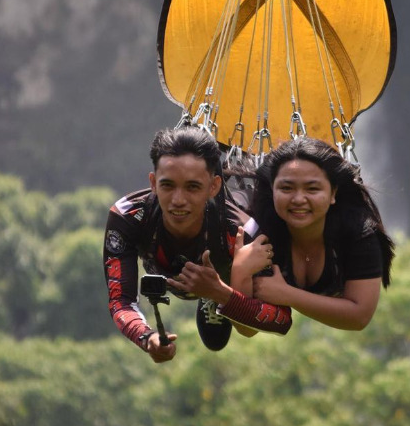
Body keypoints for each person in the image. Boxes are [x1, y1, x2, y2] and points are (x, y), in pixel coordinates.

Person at [104, 127, 291, 364]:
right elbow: (120, 300)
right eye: (168, 186)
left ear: (213, 186)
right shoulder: (129, 215)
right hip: (189, 276)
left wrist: (219, 291)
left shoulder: (245, 232)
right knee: (215, 337)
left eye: (192, 187)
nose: (178, 200)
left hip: (230, 272)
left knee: (227, 334)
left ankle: (216, 297)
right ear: (153, 183)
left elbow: (283, 320)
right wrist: (146, 336)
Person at [231, 137, 395, 331]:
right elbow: (247, 329)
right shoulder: (258, 231)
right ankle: (213, 295)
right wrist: (239, 270)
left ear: (333, 193)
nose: (299, 199)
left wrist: (285, 294)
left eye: (312, 188)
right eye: (286, 188)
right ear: (273, 189)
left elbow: (359, 316)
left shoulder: (358, 233)